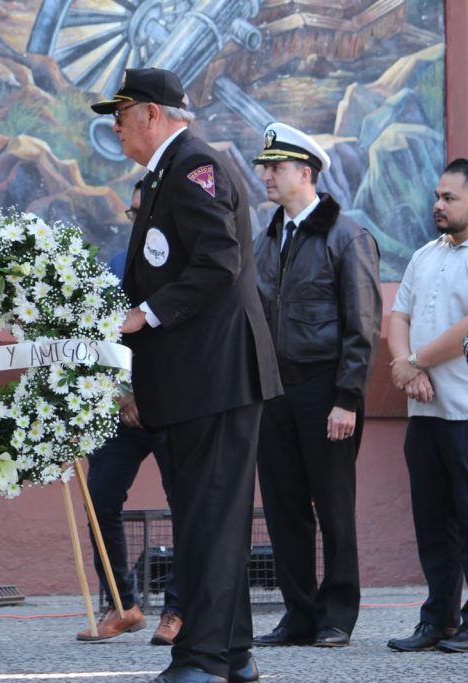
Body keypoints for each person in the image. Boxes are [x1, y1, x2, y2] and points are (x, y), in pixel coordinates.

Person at [92, 68, 282, 683]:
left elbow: (218, 261)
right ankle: (232, 656)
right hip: (196, 378)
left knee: (212, 518)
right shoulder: (169, 172)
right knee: (210, 517)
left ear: (152, 114)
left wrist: (143, 316)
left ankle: (202, 660)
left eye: (119, 114)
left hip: (217, 374)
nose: (114, 127)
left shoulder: (195, 166)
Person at [248, 122, 382, 649]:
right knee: (283, 509)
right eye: (265, 167)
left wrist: (347, 398)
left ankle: (337, 615)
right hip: (275, 394)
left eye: (275, 168)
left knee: (333, 506)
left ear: (305, 173)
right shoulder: (269, 236)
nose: (266, 176)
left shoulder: (346, 236)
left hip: (327, 391)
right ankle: (298, 613)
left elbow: (362, 322)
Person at [78, 180, 183, 647]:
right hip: (123, 409)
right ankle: (123, 606)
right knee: (99, 498)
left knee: (188, 507)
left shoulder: (185, 269)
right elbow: (102, 339)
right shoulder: (116, 267)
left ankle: (178, 610)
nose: (138, 218)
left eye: (147, 210)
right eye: (132, 211)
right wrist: (123, 396)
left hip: (176, 407)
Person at [385, 158, 468, 654]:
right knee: (433, 522)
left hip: (465, 412)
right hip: (425, 415)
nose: (437, 205)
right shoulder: (424, 255)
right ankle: (438, 618)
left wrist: (413, 361)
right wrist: (404, 365)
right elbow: (400, 314)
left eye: (450, 198)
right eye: (437, 196)